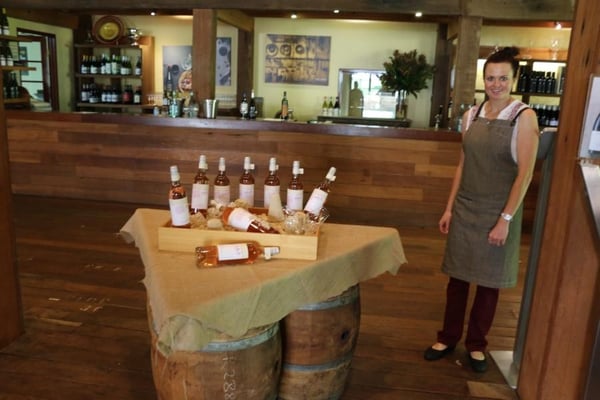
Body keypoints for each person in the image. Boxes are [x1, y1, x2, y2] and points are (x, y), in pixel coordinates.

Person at [423, 46, 539, 373]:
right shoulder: (471, 115)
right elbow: (463, 165)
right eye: (490, 78)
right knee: (457, 279)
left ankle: (477, 344)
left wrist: (505, 220)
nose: (496, 84)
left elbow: (525, 174)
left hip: (499, 211)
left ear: (514, 79)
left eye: (503, 78)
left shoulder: (524, 117)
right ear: (483, 79)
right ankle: (447, 337)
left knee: (489, 283)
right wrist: (449, 208)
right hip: (466, 208)